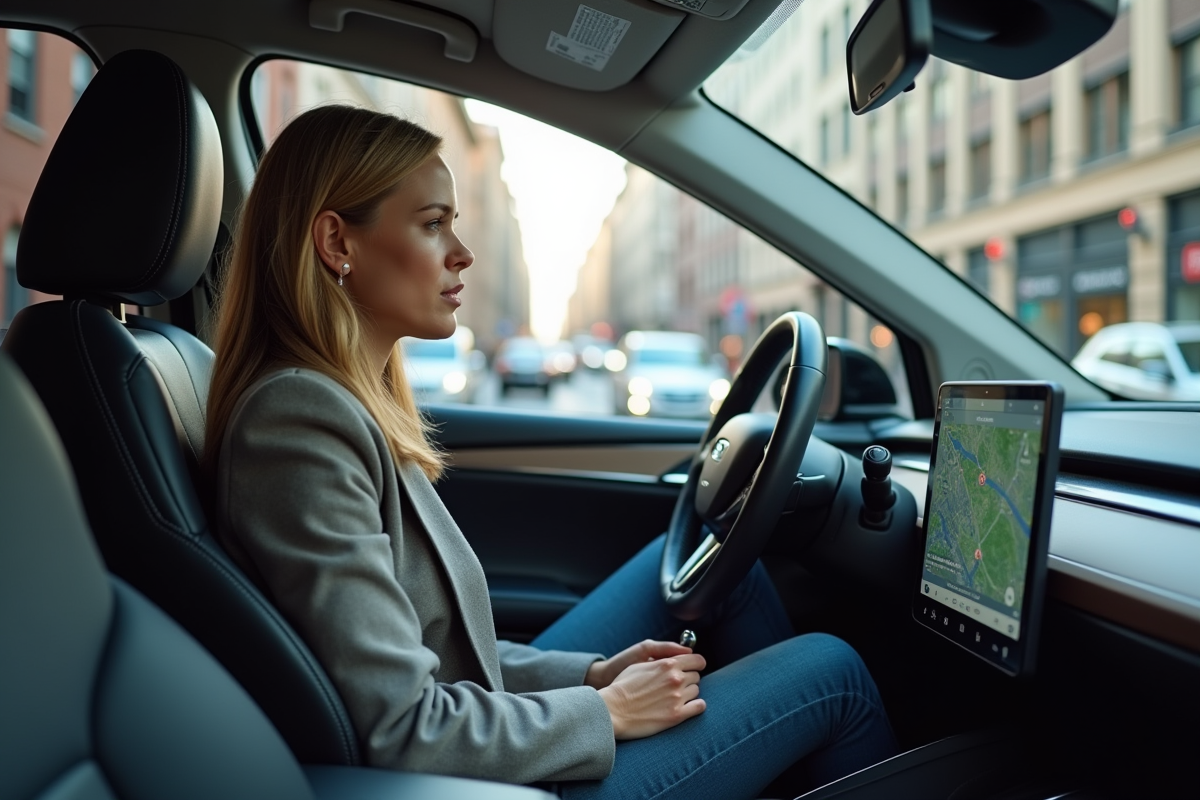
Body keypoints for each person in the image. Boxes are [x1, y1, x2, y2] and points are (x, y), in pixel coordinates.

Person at [205, 105, 897, 800]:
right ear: (336, 242)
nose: (462, 252)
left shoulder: (338, 400)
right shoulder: (299, 421)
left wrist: (591, 676)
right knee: (832, 675)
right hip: (468, 782)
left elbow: (443, 653)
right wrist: (608, 710)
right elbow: (404, 728)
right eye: (433, 223)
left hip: (474, 739)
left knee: (718, 566)